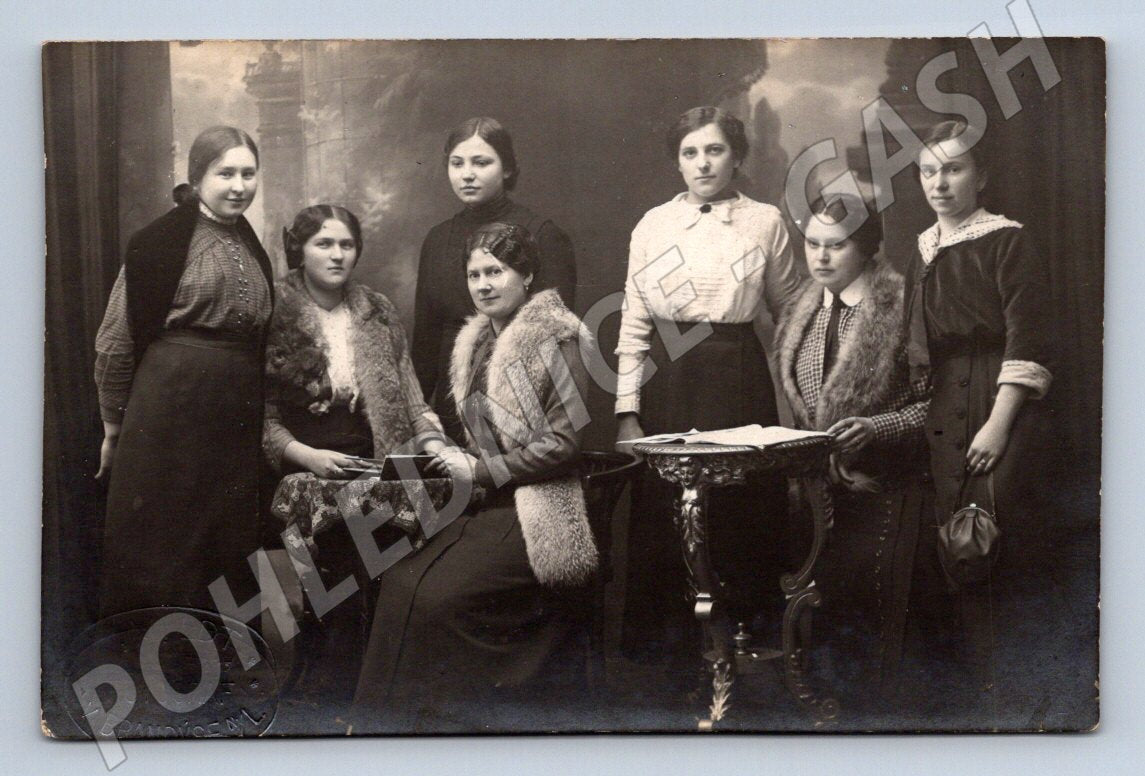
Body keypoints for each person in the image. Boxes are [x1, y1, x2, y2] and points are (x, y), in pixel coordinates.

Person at [354, 222, 596, 732]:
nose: (484, 284)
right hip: (486, 502)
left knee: (440, 598)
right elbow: (483, 439)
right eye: (475, 274)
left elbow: (563, 443)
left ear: (526, 275)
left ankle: (455, 728)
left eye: (496, 271)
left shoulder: (558, 337)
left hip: (539, 506)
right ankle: (386, 732)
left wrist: (481, 469)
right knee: (399, 581)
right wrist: (445, 447)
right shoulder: (475, 342)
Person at [613, 106, 802, 664]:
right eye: (690, 152)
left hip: (739, 379)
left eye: (714, 150)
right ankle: (672, 654)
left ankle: (745, 645)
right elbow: (633, 324)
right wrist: (627, 410)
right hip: (668, 384)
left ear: (736, 156)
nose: (702, 163)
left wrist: (797, 403)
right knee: (670, 515)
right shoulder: (652, 225)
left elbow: (792, 313)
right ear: (677, 160)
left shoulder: (765, 221)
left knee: (741, 513)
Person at [261, 205, 448, 706]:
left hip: (373, 459)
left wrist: (433, 443)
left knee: (395, 550)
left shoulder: (377, 310)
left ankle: (373, 681)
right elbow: (260, 414)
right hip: (299, 465)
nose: (338, 254)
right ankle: (335, 679)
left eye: (346, 245)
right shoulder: (272, 309)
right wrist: (305, 455)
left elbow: (410, 398)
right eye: (324, 244)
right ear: (299, 249)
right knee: (339, 552)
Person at [903, 119, 1054, 719]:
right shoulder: (923, 247)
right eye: (928, 171)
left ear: (981, 175)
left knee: (996, 535)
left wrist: (999, 422)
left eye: (954, 169)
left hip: (1001, 402)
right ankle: (973, 698)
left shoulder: (1007, 240)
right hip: (945, 407)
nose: (940, 183)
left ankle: (1016, 699)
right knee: (953, 541)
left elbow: (1030, 335)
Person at [94, 126, 273, 617]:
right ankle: (156, 670)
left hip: (233, 413)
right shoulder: (159, 242)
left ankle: (219, 667)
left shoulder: (251, 243)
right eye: (225, 173)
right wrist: (114, 428)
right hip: (169, 408)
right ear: (197, 178)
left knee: (227, 539)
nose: (238, 186)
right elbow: (115, 342)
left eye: (248, 173)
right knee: (166, 541)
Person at [774, 193, 931, 708]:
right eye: (812, 244)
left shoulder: (903, 306)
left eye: (835, 246)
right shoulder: (801, 309)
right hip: (816, 494)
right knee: (818, 607)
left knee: (871, 614)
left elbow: (937, 404)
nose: (819, 257)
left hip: (884, 488)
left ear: (867, 248)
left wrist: (877, 427)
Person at [411, 116, 577, 443]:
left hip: (518, 410)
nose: (467, 174)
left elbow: (555, 337)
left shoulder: (543, 234)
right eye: (457, 163)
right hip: (450, 409)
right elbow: (426, 341)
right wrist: (420, 417)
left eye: (481, 162)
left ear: (508, 169)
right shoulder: (437, 239)